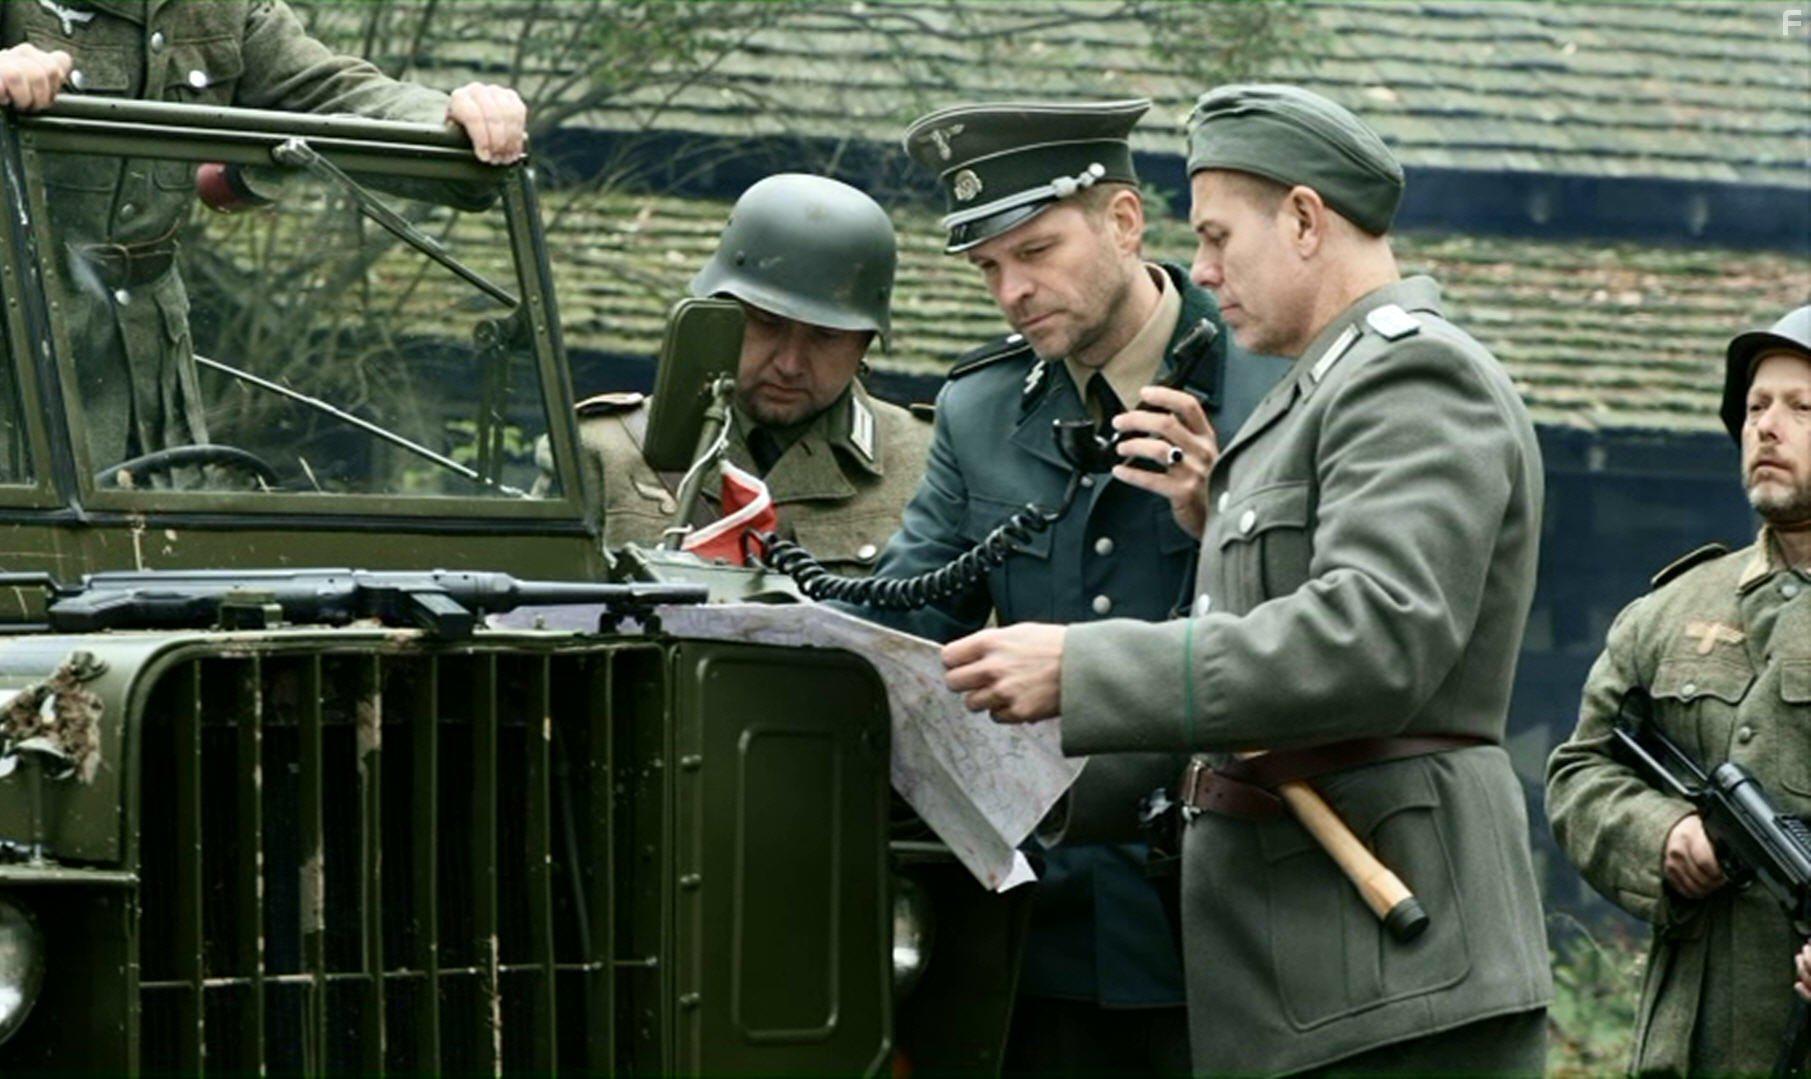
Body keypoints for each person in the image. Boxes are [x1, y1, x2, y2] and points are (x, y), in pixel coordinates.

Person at [936, 84, 1554, 1073]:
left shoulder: (1406, 374)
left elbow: (1369, 639)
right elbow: (1238, 700)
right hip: (1320, 973)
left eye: (1220, 238)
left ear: (1305, 219)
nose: (1205, 270)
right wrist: (1035, 795)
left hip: (1394, 974)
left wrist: (1084, 668)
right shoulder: (1315, 390)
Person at [850, 98, 1289, 1074]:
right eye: (988, 267)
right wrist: (753, 592)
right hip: (1036, 935)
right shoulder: (979, 409)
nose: (1011, 289)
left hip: (1225, 924)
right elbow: (908, 610)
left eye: (1036, 250)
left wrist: (1221, 518)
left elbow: (1326, 635)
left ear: (1124, 222)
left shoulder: (1271, 381)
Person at [0, 2, 527, 471]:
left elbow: (334, 93)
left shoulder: (221, 10)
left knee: (151, 567)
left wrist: (458, 121)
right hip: (16, 355)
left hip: (146, 368)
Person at [1548, 305, 1811, 1074]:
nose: (1768, 427)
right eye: (1756, 407)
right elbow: (1579, 773)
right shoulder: (1669, 610)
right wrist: (1661, 833)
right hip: (1685, 1050)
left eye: (1803, 408)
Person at [577, 173, 929, 572]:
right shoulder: (605, 453)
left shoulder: (927, 468)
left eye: (826, 336)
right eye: (766, 324)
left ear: (864, 343)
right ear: (718, 318)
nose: (790, 364)